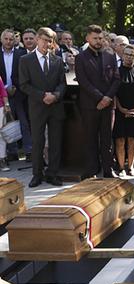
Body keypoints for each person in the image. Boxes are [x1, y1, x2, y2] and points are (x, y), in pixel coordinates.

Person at [18, 27, 66, 187]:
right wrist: (42, 96)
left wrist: (56, 95)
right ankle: (37, 174)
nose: (47, 44)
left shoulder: (57, 60)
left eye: (50, 41)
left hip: (55, 106)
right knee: (38, 142)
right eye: (45, 40)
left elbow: (62, 84)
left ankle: (53, 174)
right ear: (37, 39)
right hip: (37, 107)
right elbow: (24, 85)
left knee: (55, 141)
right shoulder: (25, 60)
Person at [75, 24, 120, 180]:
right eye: (95, 38)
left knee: (107, 139)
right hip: (90, 105)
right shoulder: (80, 57)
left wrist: (107, 98)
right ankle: (92, 170)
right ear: (87, 38)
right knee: (90, 139)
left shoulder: (110, 55)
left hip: (107, 106)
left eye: (100, 38)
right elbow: (83, 81)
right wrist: (100, 97)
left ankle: (108, 170)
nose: (98, 41)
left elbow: (116, 78)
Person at [1, 28, 29, 162]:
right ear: (1, 39)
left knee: (24, 122)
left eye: (11, 39)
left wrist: (16, 88)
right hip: (1, 95)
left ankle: (28, 150)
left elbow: (24, 74)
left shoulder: (21, 54)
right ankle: (11, 153)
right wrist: (5, 89)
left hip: (19, 93)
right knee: (6, 124)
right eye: (6, 39)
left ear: (15, 40)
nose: (8, 41)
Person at [113, 44, 134, 177]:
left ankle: (131, 167)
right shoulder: (116, 71)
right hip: (120, 110)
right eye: (127, 54)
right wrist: (122, 109)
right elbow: (114, 93)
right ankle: (121, 167)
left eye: (132, 55)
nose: (129, 57)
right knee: (120, 140)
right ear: (122, 55)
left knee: (132, 140)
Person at [0, 80, 9, 171]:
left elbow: (3, 92)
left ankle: (2, 159)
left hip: (0, 108)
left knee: (1, 136)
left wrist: (6, 105)